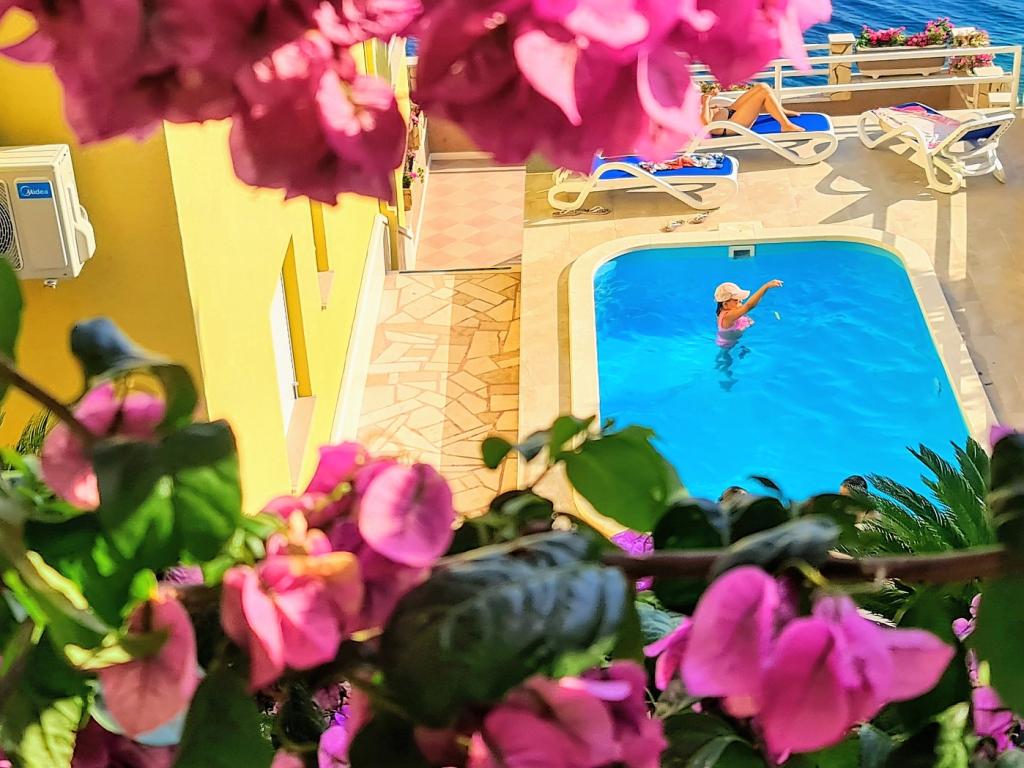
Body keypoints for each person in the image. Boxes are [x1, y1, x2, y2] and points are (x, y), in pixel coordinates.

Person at [701, 83, 804, 136]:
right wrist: (705, 102)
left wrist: (710, 95)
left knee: (762, 86)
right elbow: (706, 124)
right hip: (728, 126)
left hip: (728, 112)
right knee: (764, 93)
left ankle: (781, 111)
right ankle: (785, 125)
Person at [715, 280, 783, 349]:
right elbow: (749, 306)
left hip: (732, 337)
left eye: (740, 299)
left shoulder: (727, 311)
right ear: (725, 304)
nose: (741, 301)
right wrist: (766, 286)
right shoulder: (727, 316)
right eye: (736, 300)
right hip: (727, 344)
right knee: (725, 354)